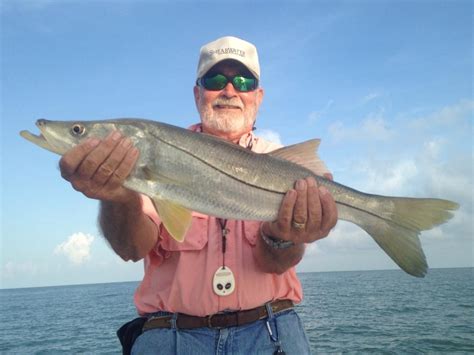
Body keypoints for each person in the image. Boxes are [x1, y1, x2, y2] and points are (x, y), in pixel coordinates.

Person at [59, 36, 338, 354]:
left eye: (243, 81)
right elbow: (131, 248)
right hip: (172, 337)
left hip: (272, 334)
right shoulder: (156, 152)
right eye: (215, 79)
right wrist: (117, 196)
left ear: (258, 97)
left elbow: (275, 263)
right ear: (198, 93)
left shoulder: (282, 163)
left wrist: (285, 236)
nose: (229, 90)